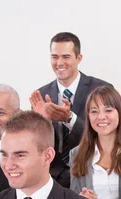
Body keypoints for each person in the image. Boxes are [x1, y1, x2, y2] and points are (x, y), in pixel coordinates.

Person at [30, 32, 112, 188]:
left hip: (91, 173)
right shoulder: (41, 95)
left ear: (78, 58)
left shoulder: (102, 89)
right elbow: (36, 146)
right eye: (54, 57)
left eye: (66, 57)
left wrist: (70, 119)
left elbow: (106, 136)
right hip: (52, 178)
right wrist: (42, 122)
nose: (59, 62)